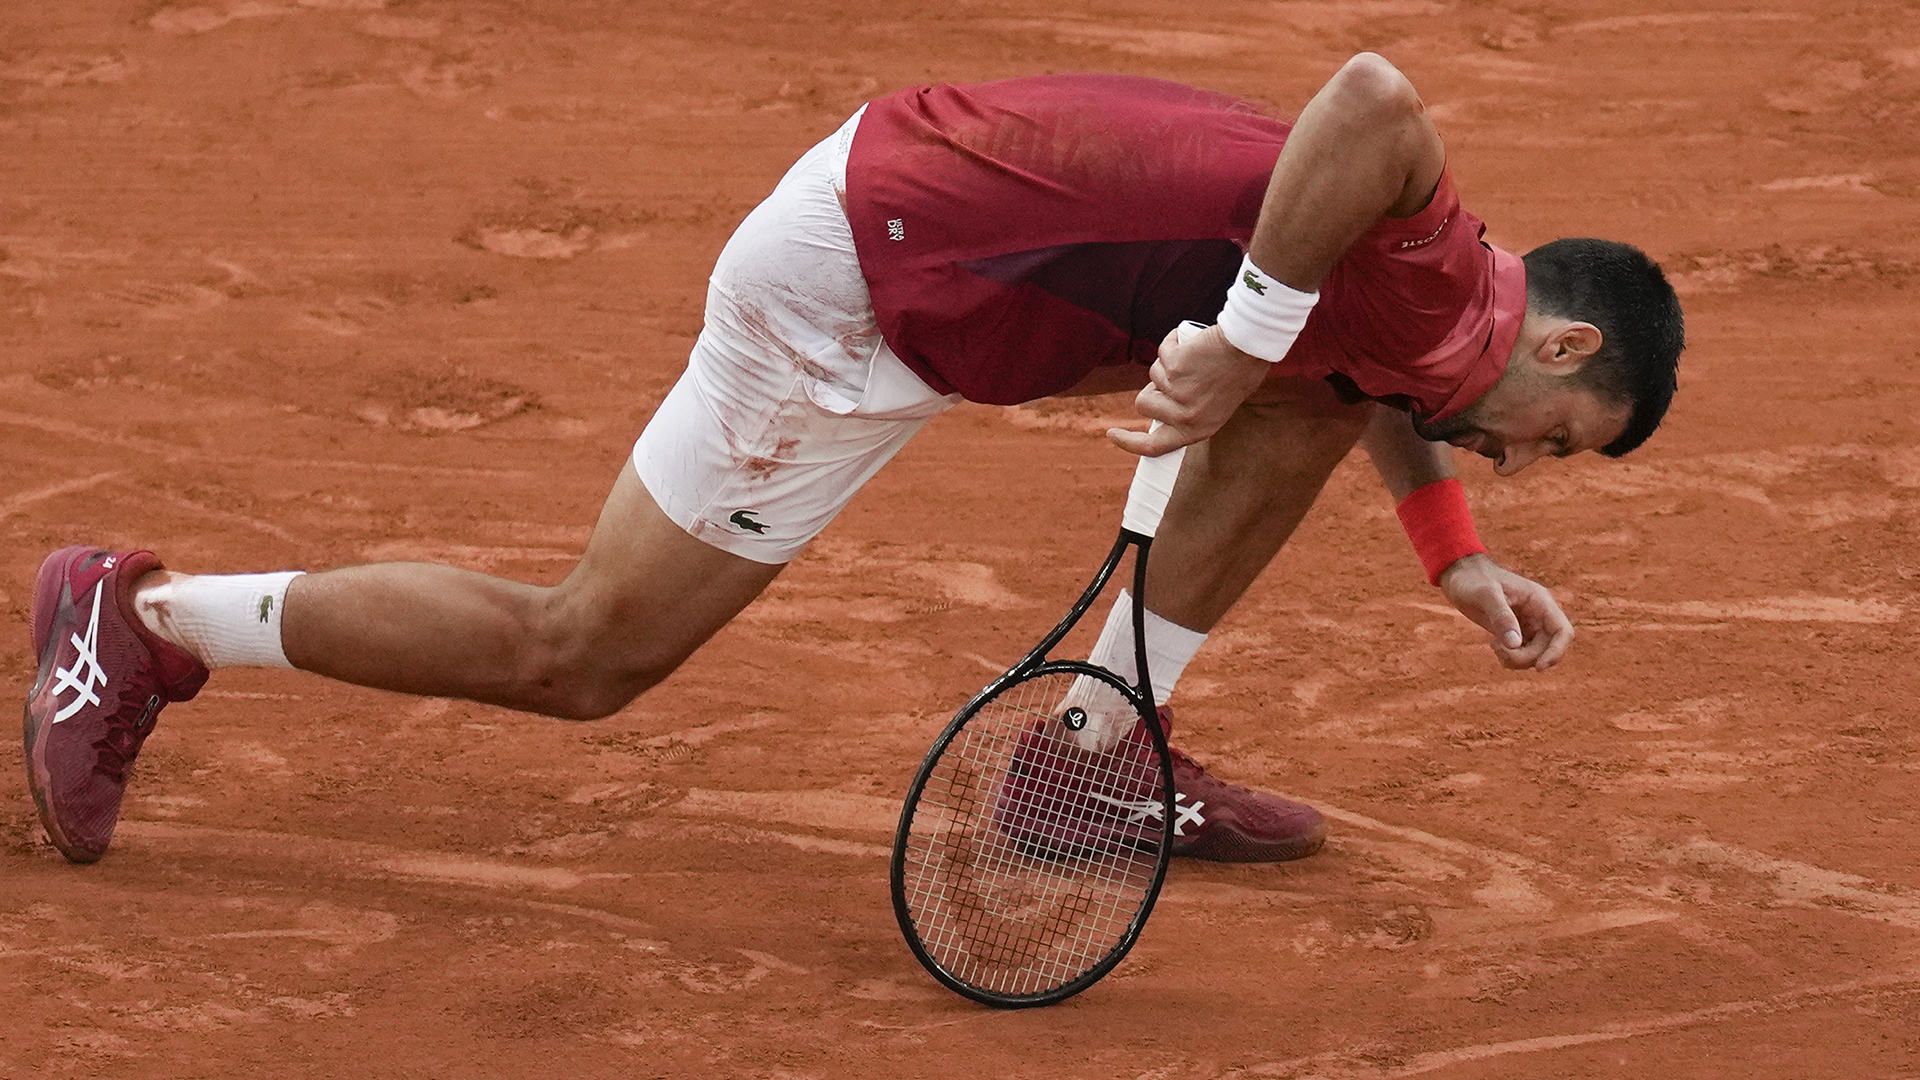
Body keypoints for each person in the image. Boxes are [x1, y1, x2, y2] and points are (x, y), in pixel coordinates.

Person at [22, 54, 1683, 866]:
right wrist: (1244, 337)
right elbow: (1377, 101)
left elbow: (1374, 385)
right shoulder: (1450, 284)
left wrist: (1451, 552)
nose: (1524, 459)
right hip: (861, 291)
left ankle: (1089, 756)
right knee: (582, 653)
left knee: (1311, 406)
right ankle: (148, 621)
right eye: (1555, 445)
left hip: (916, 208)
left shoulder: (1440, 318)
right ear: (1566, 347)